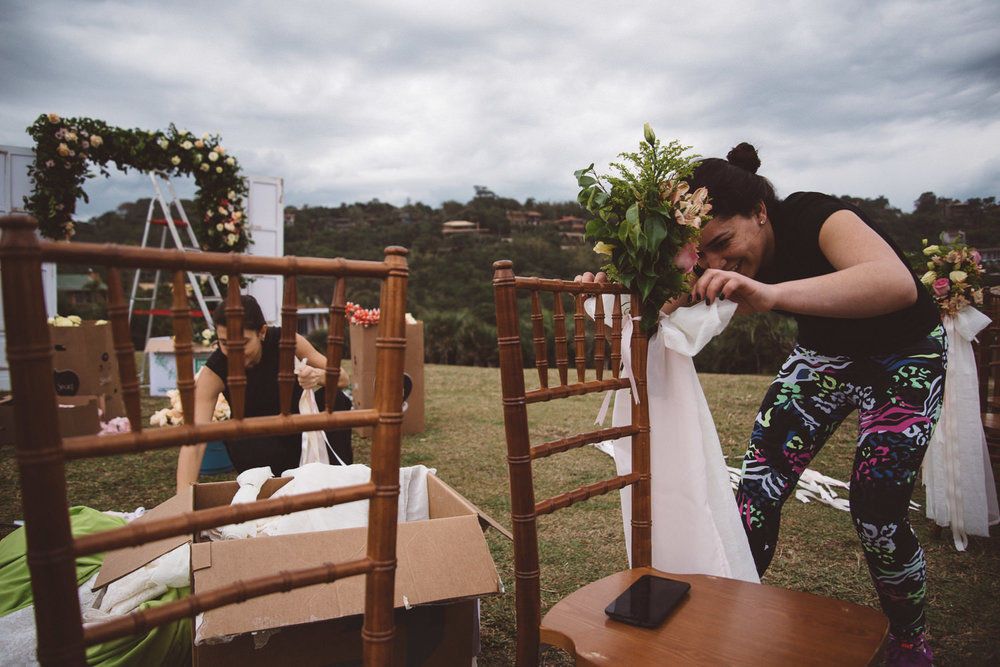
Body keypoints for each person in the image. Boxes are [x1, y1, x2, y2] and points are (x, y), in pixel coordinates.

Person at [579, 143, 944, 665]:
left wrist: (772, 293)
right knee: (757, 488)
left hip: (906, 352)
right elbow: (653, 310)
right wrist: (609, 298)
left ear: (760, 212)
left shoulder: (815, 214)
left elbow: (895, 284)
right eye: (703, 255)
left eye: (724, 242)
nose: (719, 263)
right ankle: (725, 612)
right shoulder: (718, 259)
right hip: (826, 357)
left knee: (877, 505)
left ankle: (910, 640)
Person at [175, 295, 353, 493]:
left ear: (262, 332)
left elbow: (343, 378)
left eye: (242, 342)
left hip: (302, 434)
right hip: (258, 447)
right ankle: (272, 492)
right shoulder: (215, 371)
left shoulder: (286, 341)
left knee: (336, 400)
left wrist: (317, 376)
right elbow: (195, 440)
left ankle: (337, 480)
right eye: (225, 343)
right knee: (236, 433)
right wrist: (183, 497)